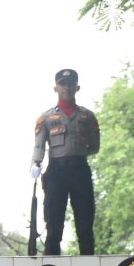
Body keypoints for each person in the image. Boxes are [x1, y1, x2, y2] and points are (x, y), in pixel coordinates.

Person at [31, 68, 101, 255]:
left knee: (85, 224)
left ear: (77, 87)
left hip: (80, 170)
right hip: (56, 172)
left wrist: (77, 154)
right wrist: (36, 163)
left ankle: (88, 264)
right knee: (54, 224)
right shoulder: (46, 118)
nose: (67, 88)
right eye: (62, 84)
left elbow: (95, 146)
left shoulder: (87, 116)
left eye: (70, 84)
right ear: (56, 88)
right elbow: (39, 145)